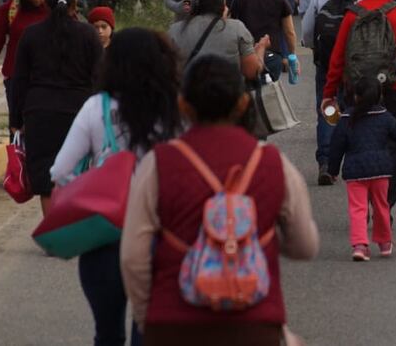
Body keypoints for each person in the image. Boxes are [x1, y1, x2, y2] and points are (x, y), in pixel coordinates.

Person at [120, 55, 319, 345]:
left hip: (173, 327)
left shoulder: (158, 164)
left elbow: (132, 258)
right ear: (242, 104)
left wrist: (147, 316)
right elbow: (305, 246)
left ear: (183, 105)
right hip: (255, 327)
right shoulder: (273, 163)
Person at [51, 28, 182, 346]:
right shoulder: (176, 108)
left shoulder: (96, 108)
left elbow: (60, 171)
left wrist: (93, 185)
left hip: (105, 236)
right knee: (148, 329)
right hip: (160, 235)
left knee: (107, 333)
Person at [321, 0, 396, 210]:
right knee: (394, 149)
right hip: (394, 91)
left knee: (358, 144)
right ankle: (385, 206)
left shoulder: (353, 13)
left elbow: (338, 58)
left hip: (357, 91)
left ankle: (365, 202)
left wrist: (328, 94)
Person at [11, 0, 103, 215]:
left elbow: (18, 81)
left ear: (46, 4)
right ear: (75, 4)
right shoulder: (88, 35)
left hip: (39, 112)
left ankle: (52, 234)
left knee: (45, 177)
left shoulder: (31, 35)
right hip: (79, 112)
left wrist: (16, 122)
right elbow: (101, 78)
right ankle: (74, 227)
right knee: (79, 171)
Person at [328, 76, 396, 261]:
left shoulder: (346, 119)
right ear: (379, 96)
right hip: (380, 169)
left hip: (355, 171)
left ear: (355, 96)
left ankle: (360, 245)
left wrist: (332, 169)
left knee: (358, 208)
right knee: (381, 206)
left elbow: (336, 146)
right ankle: (385, 243)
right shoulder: (384, 116)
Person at [301, 0, 369, 185]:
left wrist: (312, 48)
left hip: (327, 60)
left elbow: (308, 28)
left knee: (328, 106)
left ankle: (327, 164)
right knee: (354, 108)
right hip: (357, 64)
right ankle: (352, 158)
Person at [169, 0, 268, 82]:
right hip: (226, 95)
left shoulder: (175, 30)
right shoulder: (236, 28)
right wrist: (261, 48)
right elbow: (251, 72)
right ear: (222, 3)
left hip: (188, 95)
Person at [228, 0, 299, 83]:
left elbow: (222, 21)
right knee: (268, 99)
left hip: (241, 56)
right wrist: (292, 55)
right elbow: (289, 31)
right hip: (271, 56)